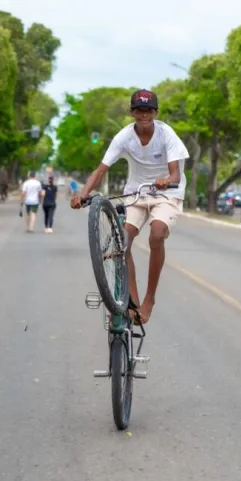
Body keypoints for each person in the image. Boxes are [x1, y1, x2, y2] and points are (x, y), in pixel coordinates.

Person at [70, 88, 189, 325]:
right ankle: (132, 302)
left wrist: (166, 180)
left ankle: (149, 299)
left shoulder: (167, 135)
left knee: (156, 234)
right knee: (122, 243)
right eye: (139, 110)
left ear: (155, 112)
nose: (144, 115)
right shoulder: (124, 136)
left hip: (167, 194)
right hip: (136, 193)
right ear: (131, 112)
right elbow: (101, 169)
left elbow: (175, 174)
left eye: (148, 110)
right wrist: (83, 194)